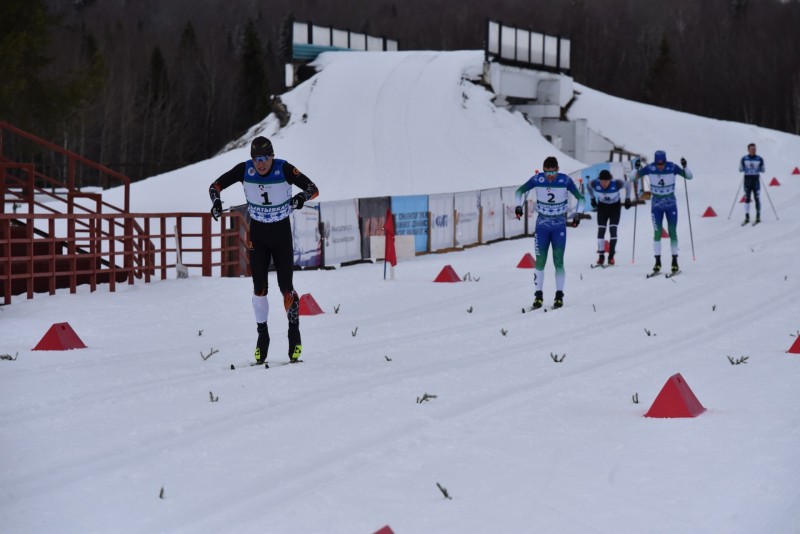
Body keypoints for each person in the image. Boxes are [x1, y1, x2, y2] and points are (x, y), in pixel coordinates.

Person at [208, 136, 319, 365]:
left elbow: (313, 189)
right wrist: (216, 202)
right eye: (256, 159)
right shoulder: (244, 170)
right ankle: (262, 335)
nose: (260, 164)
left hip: (281, 234)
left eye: (264, 159)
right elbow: (215, 186)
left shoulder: (284, 169)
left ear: (272, 157)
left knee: (285, 287)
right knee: (259, 288)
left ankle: (294, 332)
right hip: (257, 234)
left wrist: (301, 197)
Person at [514, 156, 585, 309]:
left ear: (557, 169)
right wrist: (518, 206)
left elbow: (581, 198)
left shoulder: (565, 180)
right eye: (547, 173)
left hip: (559, 225)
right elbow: (519, 192)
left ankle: (559, 295)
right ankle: (538, 296)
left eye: (553, 173)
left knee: (558, 261)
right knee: (540, 261)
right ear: (543, 170)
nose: (550, 176)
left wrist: (578, 214)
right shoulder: (537, 179)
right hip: (542, 225)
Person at [632, 150, 693, 274]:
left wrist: (685, 166)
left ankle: (674, 261)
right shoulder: (650, 168)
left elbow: (689, 176)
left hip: (671, 204)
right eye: (658, 164)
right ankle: (657, 262)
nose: (660, 166)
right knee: (657, 232)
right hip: (656, 205)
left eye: (662, 164)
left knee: (672, 232)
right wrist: (636, 168)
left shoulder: (672, 167)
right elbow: (633, 178)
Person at [587, 169, 633, 266]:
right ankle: (601, 257)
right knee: (601, 230)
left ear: (610, 180)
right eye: (602, 181)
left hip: (614, 208)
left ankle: (611, 256)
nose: (603, 183)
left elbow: (628, 184)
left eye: (606, 181)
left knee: (613, 230)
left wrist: (628, 199)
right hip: (602, 207)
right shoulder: (595, 183)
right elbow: (588, 185)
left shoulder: (616, 183)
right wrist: (592, 199)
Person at [739, 143, 764, 224]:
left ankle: (758, 216)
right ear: (748, 150)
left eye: (754, 148)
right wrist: (744, 168)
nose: (753, 150)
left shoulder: (759, 158)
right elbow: (740, 169)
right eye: (751, 149)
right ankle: (747, 216)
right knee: (747, 198)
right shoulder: (744, 158)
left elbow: (763, 170)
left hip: (756, 180)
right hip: (747, 180)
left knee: (757, 198)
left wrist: (759, 168)